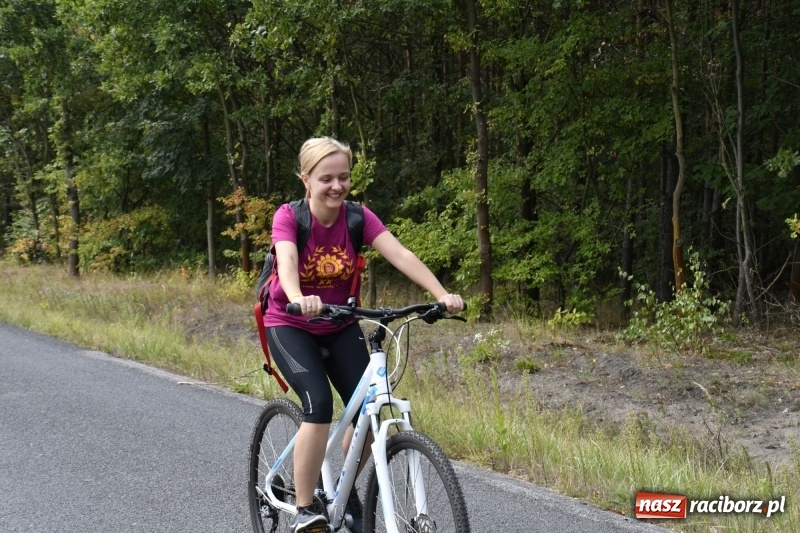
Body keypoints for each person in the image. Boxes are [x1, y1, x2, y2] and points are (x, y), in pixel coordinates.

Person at [263, 137, 464, 533]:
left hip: (340, 323)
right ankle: (305, 509)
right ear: (305, 179)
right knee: (318, 405)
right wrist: (300, 296)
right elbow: (286, 260)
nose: (336, 186)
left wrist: (441, 295)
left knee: (372, 409)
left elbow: (400, 253)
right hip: (290, 323)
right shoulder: (290, 217)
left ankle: (344, 490)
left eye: (344, 177)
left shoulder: (357, 218)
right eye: (326, 178)